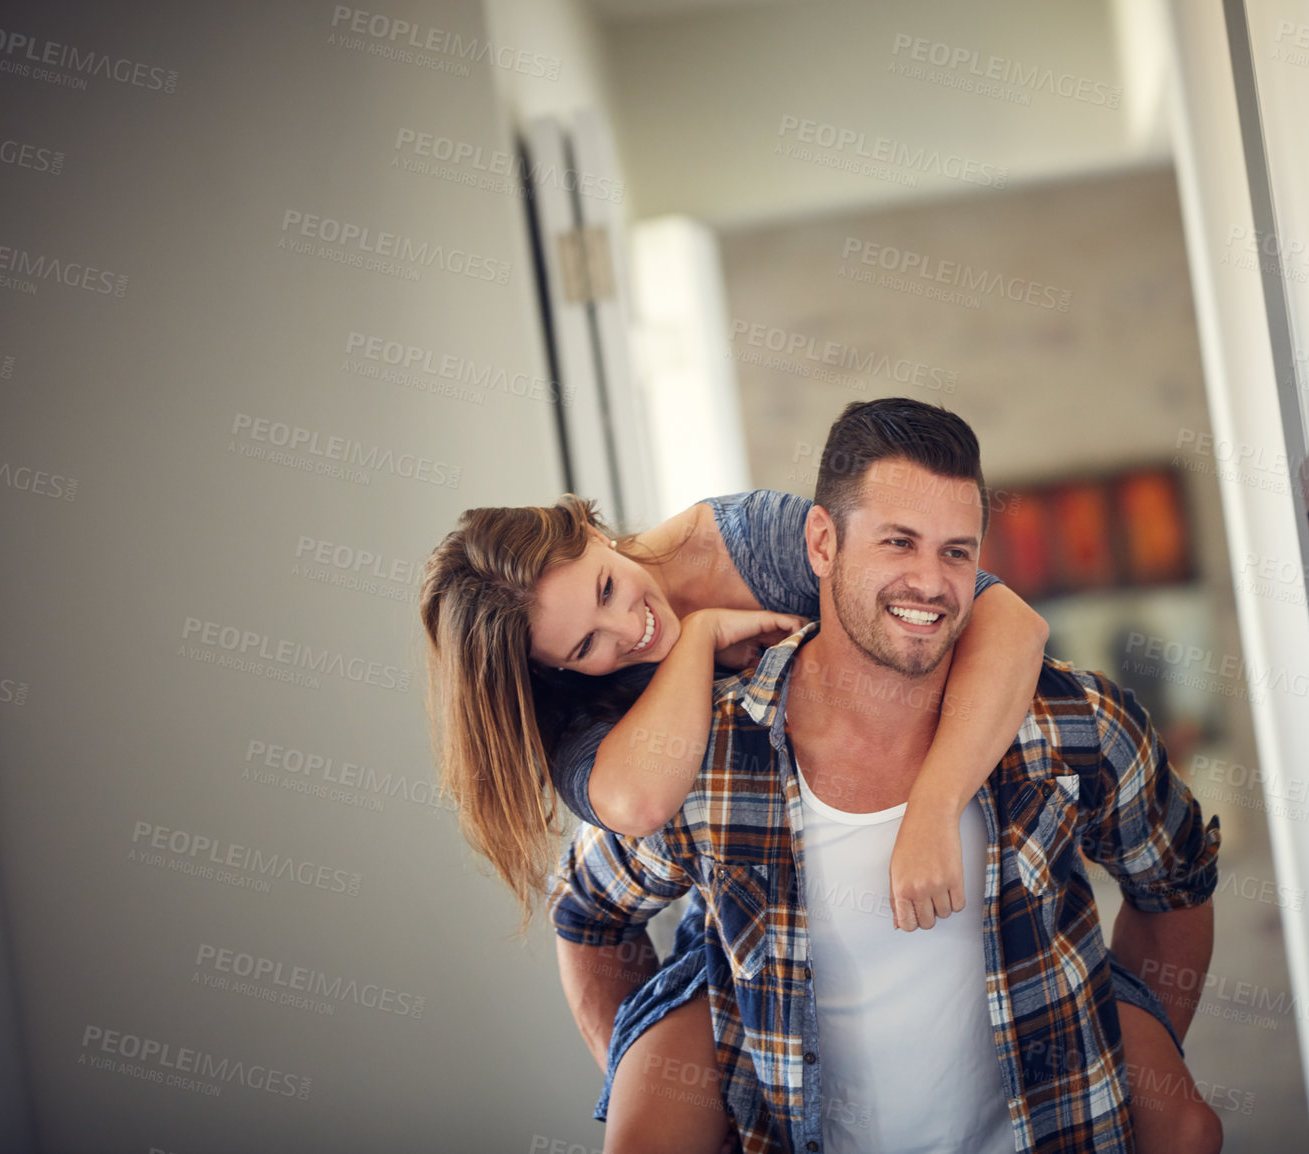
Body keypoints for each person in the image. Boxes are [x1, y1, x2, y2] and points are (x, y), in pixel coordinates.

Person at [550, 398, 1225, 1154]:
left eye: (958, 552)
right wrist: (667, 1085)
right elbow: (588, 918)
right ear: (821, 543)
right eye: (898, 542)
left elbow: (1176, 882)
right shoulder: (705, 759)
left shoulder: (1076, 721)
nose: (930, 583)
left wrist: (1125, 1069)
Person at [418, 399, 1051, 1148]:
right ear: (550, 670)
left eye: (605, 588)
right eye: (586, 644)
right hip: (733, 933)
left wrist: (935, 806)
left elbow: (1013, 624)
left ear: (591, 531)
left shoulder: (735, 539)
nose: (629, 629)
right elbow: (641, 799)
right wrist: (700, 638)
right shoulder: (573, 717)